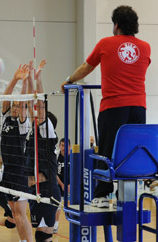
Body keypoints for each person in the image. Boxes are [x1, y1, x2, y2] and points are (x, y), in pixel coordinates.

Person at [61, 5, 151, 208]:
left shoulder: (106, 44)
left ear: (116, 24)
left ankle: (102, 195)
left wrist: (69, 79)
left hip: (114, 106)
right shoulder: (145, 47)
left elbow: (86, 67)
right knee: (131, 150)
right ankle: (127, 194)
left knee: (107, 149)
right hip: (139, 107)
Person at [26, 59, 61, 242]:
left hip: (47, 190)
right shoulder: (35, 131)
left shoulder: (47, 131)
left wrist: (38, 79)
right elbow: (34, 102)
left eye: (41, 117)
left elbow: (40, 104)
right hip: (35, 191)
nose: (36, 116)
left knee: (44, 236)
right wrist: (31, 79)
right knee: (40, 235)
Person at [0, 64, 33, 242]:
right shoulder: (6, 118)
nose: (14, 107)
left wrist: (25, 81)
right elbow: (6, 97)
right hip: (7, 171)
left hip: (19, 172)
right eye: (13, 105)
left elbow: (23, 103)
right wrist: (14, 78)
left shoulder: (23, 123)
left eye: (17, 106)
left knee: (21, 213)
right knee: (14, 212)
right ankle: (22, 240)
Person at [54, 138, 71, 234]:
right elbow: (54, 173)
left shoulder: (74, 156)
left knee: (75, 204)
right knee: (57, 204)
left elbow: (77, 172)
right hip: (59, 184)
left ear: (70, 147)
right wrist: (62, 184)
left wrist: (70, 185)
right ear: (60, 146)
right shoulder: (56, 155)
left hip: (71, 185)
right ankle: (55, 224)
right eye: (62, 145)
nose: (64, 148)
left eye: (66, 146)